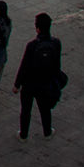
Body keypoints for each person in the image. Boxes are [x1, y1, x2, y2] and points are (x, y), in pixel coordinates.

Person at [13, 12, 63, 140]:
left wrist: (17, 84)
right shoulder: (56, 43)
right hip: (45, 83)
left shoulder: (32, 45)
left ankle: (23, 135)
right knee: (45, 109)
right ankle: (47, 132)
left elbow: (24, 66)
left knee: (26, 111)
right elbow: (57, 66)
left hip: (29, 84)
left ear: (37, 29)